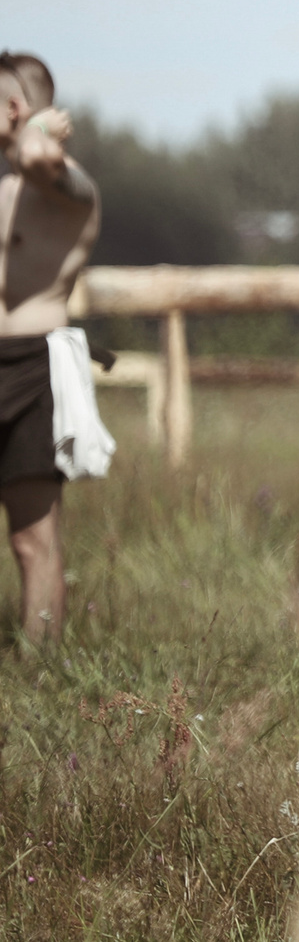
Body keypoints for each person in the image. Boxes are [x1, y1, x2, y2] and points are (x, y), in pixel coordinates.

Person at [0, 53, 105, 645]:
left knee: (32, 538)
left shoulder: (74, 188)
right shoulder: (5, 187)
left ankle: (41, 675)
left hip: (33, 367)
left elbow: (39, 156)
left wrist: (38, 131)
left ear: (14, 109)